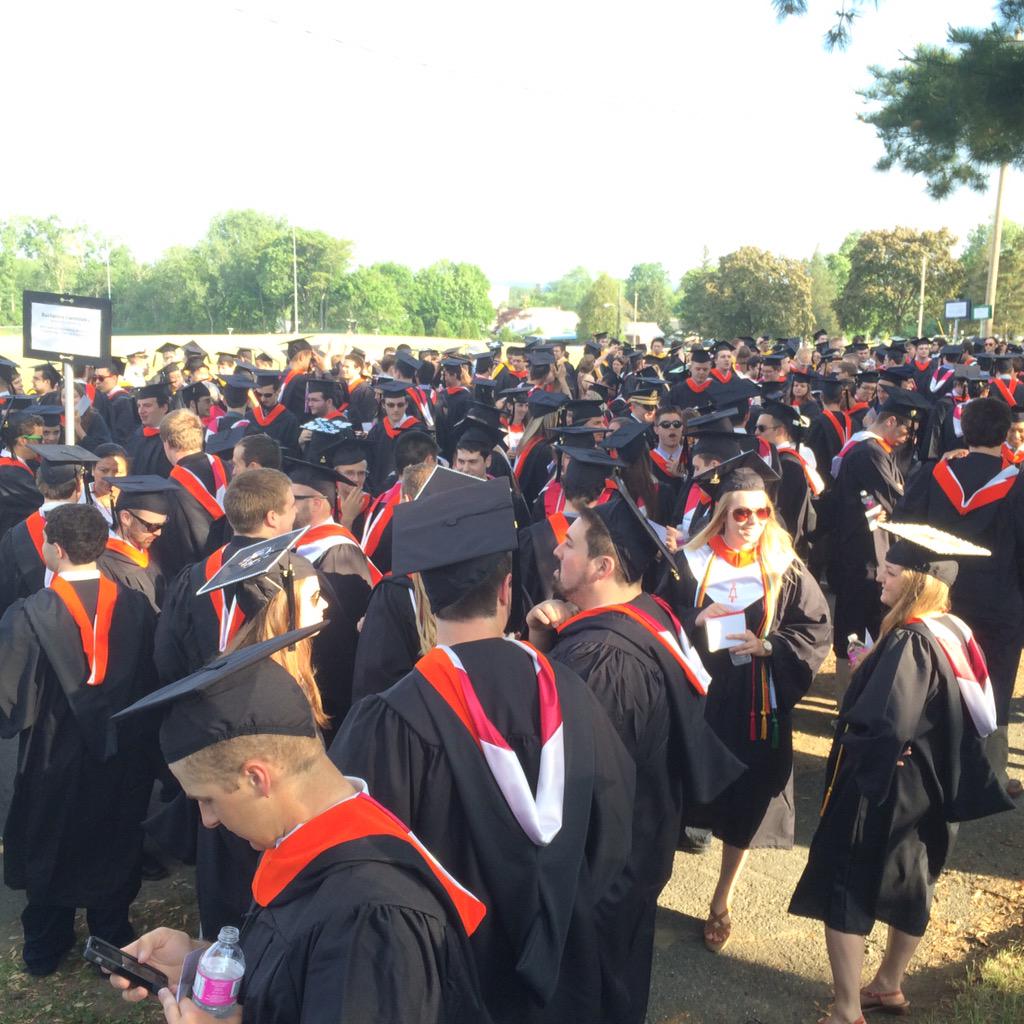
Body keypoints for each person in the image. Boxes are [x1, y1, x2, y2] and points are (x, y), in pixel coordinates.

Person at [331, 477, 635, 1024]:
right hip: (561, 962)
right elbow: (612, 829)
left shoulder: (392, 719)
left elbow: (363, 871)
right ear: (506, 590)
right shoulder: (572, 692)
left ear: (422, 593)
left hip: (449, 972)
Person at [110, 632, 489, 1024]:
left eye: (208, 799)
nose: (209, 820)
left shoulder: (374, 918)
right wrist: (202, 961)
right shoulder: (311, 849)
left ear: (257, 778)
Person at [527, 496, 743, 1024]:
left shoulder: (604, 659)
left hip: (600, 875)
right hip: (638, 853)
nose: (557, 548)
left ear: (603, 567)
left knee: (589, 997)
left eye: (571, 544)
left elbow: (573, 783)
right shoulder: (650, 614)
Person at [789, 524, 1013, 1024]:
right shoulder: (955, 631)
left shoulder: (910, 642)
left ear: (914, 582)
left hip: (887, 785)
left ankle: (847, 1009)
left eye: (889, 572)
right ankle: (889, 985)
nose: (878, 578)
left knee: (846, 886)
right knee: (915, 882)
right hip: (933, 785)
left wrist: (868, 692)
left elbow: (887, 721)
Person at [659, 450, 831, 953]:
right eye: (741, 512)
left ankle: (722, 899)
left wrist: (770, 645)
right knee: (676, 793)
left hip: (758, 705)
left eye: (761, 512)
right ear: (721, 514)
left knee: (747, 802)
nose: (753, 522)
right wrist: (694, 617)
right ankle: (651, 883)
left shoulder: (784, 566)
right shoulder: (689, 562)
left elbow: (816, 628)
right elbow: (658, 616)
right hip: (699, 701)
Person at [0, 504, 155, 975]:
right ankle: (110, 936)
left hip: (54, 753)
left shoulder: (30, 614)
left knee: (52, 836)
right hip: (122, 749)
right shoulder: (135, 603)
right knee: (115, 832)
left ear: (57, 549)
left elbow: (10, 700)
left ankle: (47, 944)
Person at [896, 397, 1024, 797]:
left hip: (938, 595)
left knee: (938, 675)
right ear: (1006, 434)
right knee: (995, 681)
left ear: (962, 430)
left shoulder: (936, 472)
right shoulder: (1017, 483)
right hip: (998, 602)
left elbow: (905, 528)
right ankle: (990, 778)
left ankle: (930, 766)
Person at [830, 390, 929, 688]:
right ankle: (849, 696)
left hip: (860, 550)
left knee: (860, 623)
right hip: (862, 556)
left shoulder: (868, 447)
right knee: (857, 626)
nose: (907, 437)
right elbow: (897, 500)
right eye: (906, 429)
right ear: (891, 422)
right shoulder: (870, 452)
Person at [0, 444, 94, 618]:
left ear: (38, 481)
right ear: (79, 486)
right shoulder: (93, 532)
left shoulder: (14, 537)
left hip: (27, 630)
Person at [156, 409, 231, 579]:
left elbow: (171, 549)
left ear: (167, 443)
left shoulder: (171, 489)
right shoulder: (229, 468)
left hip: (199, 576)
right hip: (234, 565)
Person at [755, 400, 824, 556]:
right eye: (756, 427)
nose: (756, 433)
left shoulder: (789, 464)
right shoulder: (775, 459)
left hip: (783, 545)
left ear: (780, 431)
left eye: (761, 428)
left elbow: (783, 511)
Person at [98, 475, 175, 612]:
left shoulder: (155, 552)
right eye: (151, 526)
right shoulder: (103, 562)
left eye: (162, 525)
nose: (158, 533)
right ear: (126, 518)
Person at [366, 380, 428, 494]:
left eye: (400, 405)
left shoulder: (417, 430)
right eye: (391, 405)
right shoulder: (377, 430)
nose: (396, 409)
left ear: (406, 405)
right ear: (384, 405)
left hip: (406, 490)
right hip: (378, 490)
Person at [0, 410, 44, 535]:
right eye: (39, 439)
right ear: (23, 441)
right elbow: (39, 500)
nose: (43, 443)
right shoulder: (8, 473)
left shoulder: (23, 464)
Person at [249, 371, 301, 456]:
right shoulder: (250, 416)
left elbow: (292, 452)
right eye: (258, 394)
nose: (262, 399)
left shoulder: (289, 420)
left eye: (267, 395)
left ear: (278, 392)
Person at [126, 383, 173, 477]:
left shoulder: (174, 437)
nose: (141, 411)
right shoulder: (135, 436)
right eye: (139, 406)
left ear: (164, 407)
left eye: (147, 405)